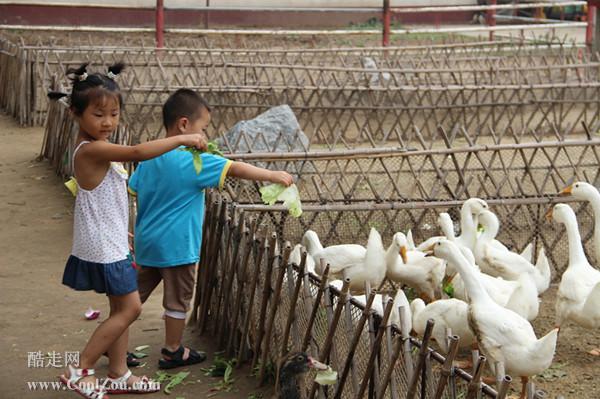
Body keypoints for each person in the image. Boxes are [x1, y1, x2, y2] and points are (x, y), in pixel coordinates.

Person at [53, 64, 207, 398]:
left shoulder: (96, 144)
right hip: (104, 247)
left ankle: (120, 373)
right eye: (98, 114)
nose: (107, 122)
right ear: (75, 114)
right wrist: (183, 139)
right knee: (131, 309)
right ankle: (81, 369)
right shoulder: (91, 149)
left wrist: (124, 233)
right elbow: (137, 153)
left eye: (113, 113)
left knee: (120, 309)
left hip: (112, 241)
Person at [128, 88, 293, 369]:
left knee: (132, 297)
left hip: (147, 242)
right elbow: (235, 168)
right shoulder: (195, 161)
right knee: (177, 301)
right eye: (202, 128)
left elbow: (134, 191)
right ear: (184, 125)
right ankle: (173, 350)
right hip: (178, 246)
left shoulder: (149, 156)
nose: (205, 136)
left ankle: (111, 341)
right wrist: (272, 174)